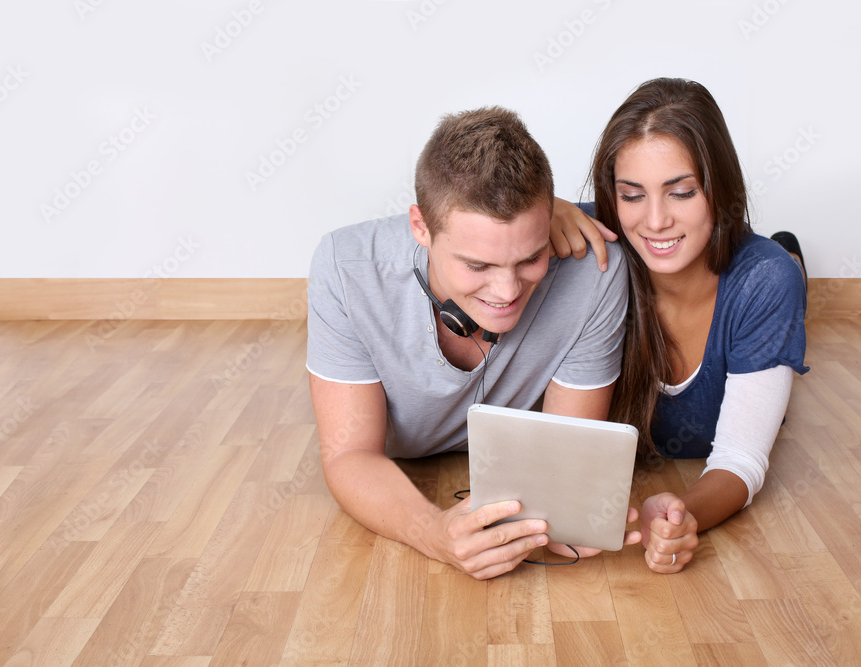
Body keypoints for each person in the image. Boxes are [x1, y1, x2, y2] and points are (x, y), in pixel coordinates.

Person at [307, 106, 641, 580]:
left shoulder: (596, 274)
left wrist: (570, 512)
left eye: (530, 258)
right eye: (478, 266)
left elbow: (566, 458)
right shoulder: (345, 267)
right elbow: (349, 455)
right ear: (420, 227)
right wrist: (432, 532)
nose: (507, 293)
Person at [550, 77, 809, 573]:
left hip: (765, 284)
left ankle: (792, 259)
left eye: (682, 192)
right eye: (631, 195)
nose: (655, 220)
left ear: (720, 188)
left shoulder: (762, 283)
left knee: (779, 273)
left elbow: (741, 458)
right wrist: (543, 209)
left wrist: (681, 513)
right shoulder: (595, 240)